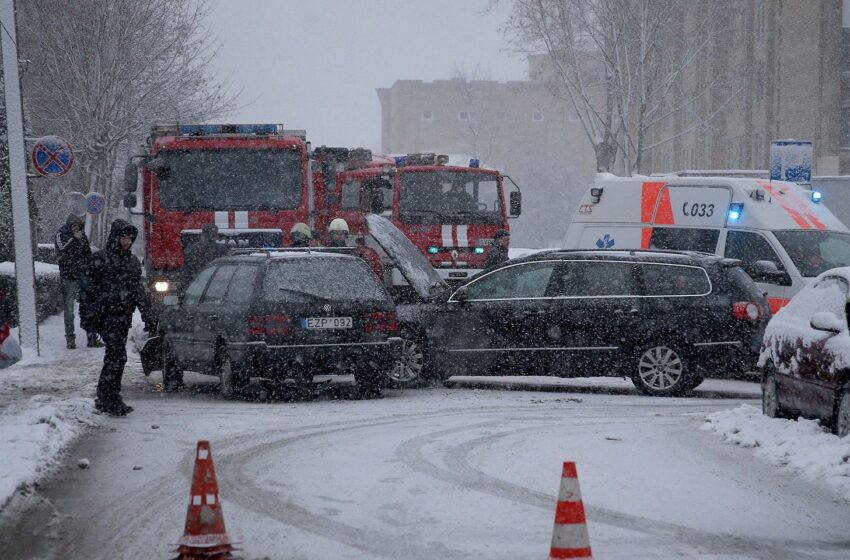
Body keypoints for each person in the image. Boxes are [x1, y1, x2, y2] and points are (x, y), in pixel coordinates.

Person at [80, 219, 153, 416]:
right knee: (117, 355)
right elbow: (87, 290)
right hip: (105, 316)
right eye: (123, 237)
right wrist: (88, 317)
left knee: (116, 356)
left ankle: (107, 395)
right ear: (115, 237)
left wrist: (147, 313)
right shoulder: (100, 260)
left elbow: (137, 290)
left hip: (122, 316)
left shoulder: (131, 262)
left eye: (129, 238)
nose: (127, 241)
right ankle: (109, 396)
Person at [55, 214, 101, 349]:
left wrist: (91, 269)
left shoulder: (83, 236)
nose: (76, 228)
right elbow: (61, 250)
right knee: (69, 308)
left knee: (88, 305)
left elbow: (87, 254)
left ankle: (91, 337)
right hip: (68, 276)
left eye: (77, 225)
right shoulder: (61, 234)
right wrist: (73, 239)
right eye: (73, 225)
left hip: (83, 275)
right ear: (69, 226)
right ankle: (70, 338)